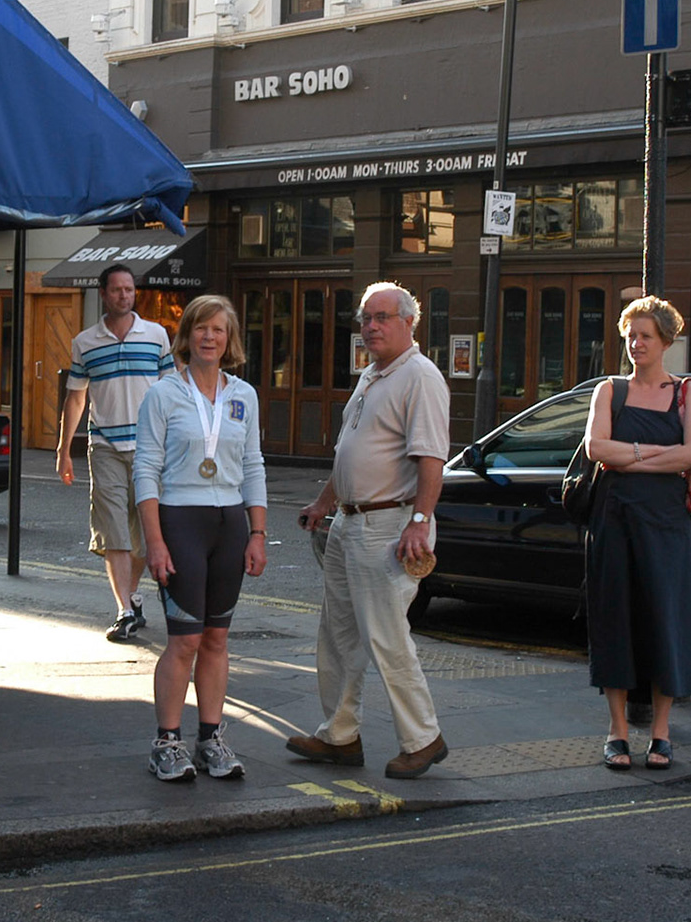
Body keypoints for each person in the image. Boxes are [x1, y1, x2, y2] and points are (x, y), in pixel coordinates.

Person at [292, 282, 450, 781]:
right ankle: (340, 734)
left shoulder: (419, 377)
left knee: (385, 636)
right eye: (365, 318)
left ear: (409, 323)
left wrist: (420, 522)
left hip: (388, 524)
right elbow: (351, 450)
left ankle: (422, 738)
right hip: (349, 521)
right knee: (337, 635)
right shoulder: (373, 374)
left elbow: (431, 459)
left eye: (382, 317)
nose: (371, 327)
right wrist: (324, 502)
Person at [131, 296, 268, 782]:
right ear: (186, 337)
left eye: (219, 330)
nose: (210, 337)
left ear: (229, 340)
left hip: (230, 522)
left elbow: (253, 464)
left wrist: (258, 533)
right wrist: (155, 542)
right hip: (180, 519)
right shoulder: (164, 394)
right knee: (184, 641)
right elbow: (145, 470)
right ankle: (166, 741)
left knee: (216, 638)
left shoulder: (244, 396)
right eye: (201, 329)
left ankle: (210, 738)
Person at [581, 296, 691, 771]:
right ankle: (616, 731)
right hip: (614, 519)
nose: (636, 344)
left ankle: (660, 732)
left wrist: (629, 454)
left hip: (666, 522)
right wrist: (654, 454)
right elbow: (597, 448)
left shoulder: (687, 393)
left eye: (645, 337)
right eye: (630, 336)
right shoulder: (609, 391)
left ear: (666, 341)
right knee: (615, 618)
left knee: (664, 620)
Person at [57, 263, 175, 642]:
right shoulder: (85, 342)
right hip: (105, 446)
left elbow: (171, 393)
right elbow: (76, 398)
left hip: (149, 449)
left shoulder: (156, 336)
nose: (125, 295)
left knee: (144, 534)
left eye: (130, 289)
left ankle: (132, 595)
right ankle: (124, 611)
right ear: (104, 294)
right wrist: (63, 450)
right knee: (114, 531)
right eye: (117, 290)